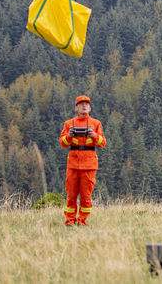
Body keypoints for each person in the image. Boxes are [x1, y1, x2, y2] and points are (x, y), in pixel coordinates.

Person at [60, 95, 106, 226]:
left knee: (86, 196)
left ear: (90, 108)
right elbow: (62, 142)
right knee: (71, 194)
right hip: (73, 164)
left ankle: (82, 221)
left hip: (89, 164)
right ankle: (69, 220)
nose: (84, 106)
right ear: (76, 107)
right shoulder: (69, 124)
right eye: (81, 104)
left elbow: (102, 143)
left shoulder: (96, 124)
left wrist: (94, 135)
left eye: (86, 104)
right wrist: (69, 136)